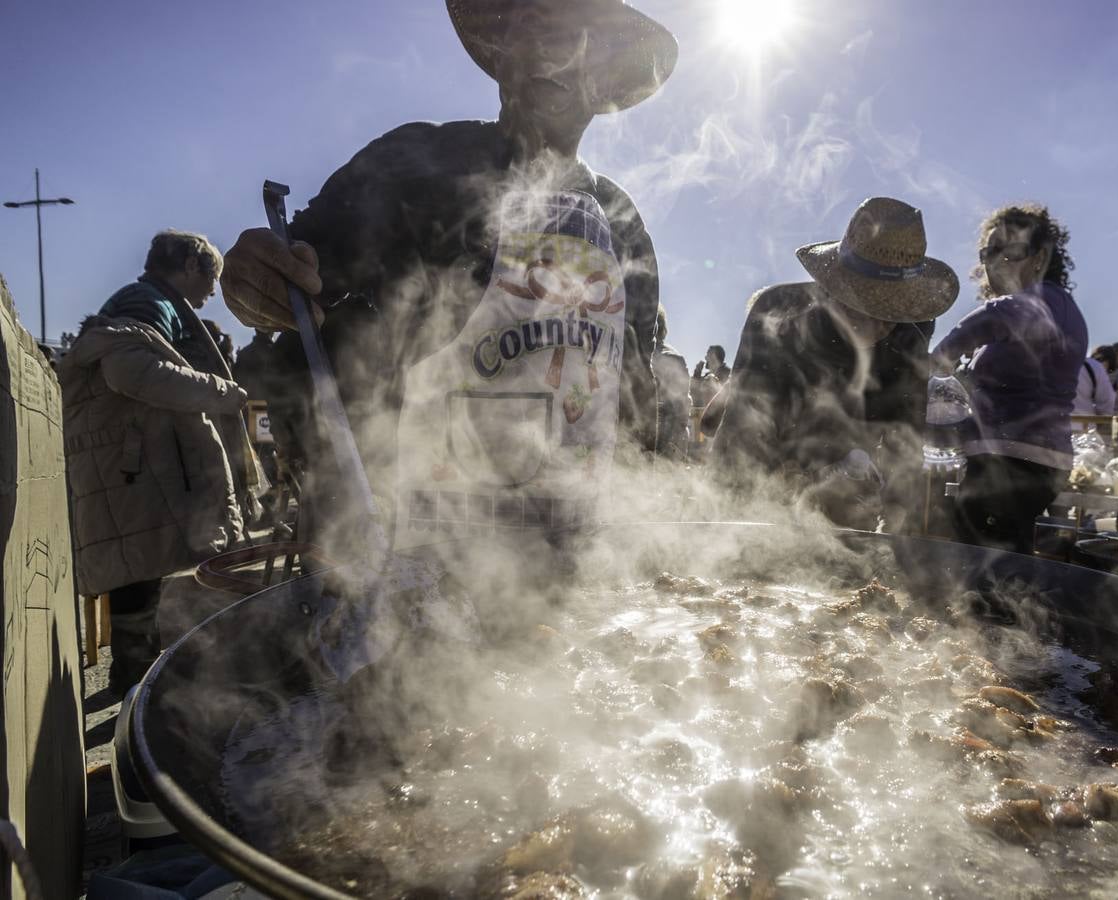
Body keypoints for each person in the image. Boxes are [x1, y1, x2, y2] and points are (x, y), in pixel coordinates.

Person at [219, 0, 677, 542]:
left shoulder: (618, 221)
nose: (553, 53)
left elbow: (632, 392)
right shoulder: (414, 163)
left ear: (606, 79)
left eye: (582, 37)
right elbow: (300, 274)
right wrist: (256, 280)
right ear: (502, 54)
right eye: (533, 27)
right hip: (388, 528)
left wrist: (637, 520)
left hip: (563, 542)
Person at [59, 231, 254, 692]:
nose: (212, 293)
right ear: (190, 265)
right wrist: (221, 392)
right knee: (140, 573)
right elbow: (132, 370)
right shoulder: (147, 303)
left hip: (131, 460)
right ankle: (140, 692)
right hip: (132, 463)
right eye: (212, 279)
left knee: (140, 572)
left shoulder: (144, 301)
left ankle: (140, 685)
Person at [713, 197, 958, 531]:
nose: (884, 322)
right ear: (835, 291)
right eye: (869, 307)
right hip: (763, 491)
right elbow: (742, 428)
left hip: (848, 502)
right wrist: (730, 521)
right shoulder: (780, 312)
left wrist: (898, 519)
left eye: (894, 311)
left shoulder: (907, 340)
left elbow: (907, 441)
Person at [931, 204, 1088, 555]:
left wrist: (937, 358)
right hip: (1003, 458)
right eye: (989, 251)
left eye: (1011, 250)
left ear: (1040, 257)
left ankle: (990, 611)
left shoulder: (1048, 301)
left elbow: (997, 315)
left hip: (1019, 460)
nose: (997, 260)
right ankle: (1005, 608)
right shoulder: (1027, 311)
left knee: (985, 563)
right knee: (993, 557)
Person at [653, 306, 691, 460]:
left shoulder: (668, 358)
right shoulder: (673, 356)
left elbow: (678, 408)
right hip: (668, 443)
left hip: (665, 443)